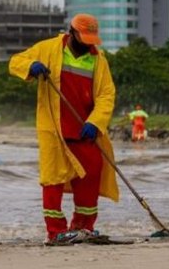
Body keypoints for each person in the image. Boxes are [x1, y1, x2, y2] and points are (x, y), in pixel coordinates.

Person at [8, 14, 119, 246]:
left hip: (85, 130)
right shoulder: (48, 48)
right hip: (54, 128)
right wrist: (32, 66)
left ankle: (83, 228)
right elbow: (15, 61)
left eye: (92, 39)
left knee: (91, 174)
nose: (88, 43)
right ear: (72, 32)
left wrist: (95, 122)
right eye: (84, 37)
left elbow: (107, 94)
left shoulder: (98, 60)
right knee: (52, 178)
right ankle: (55, 232)